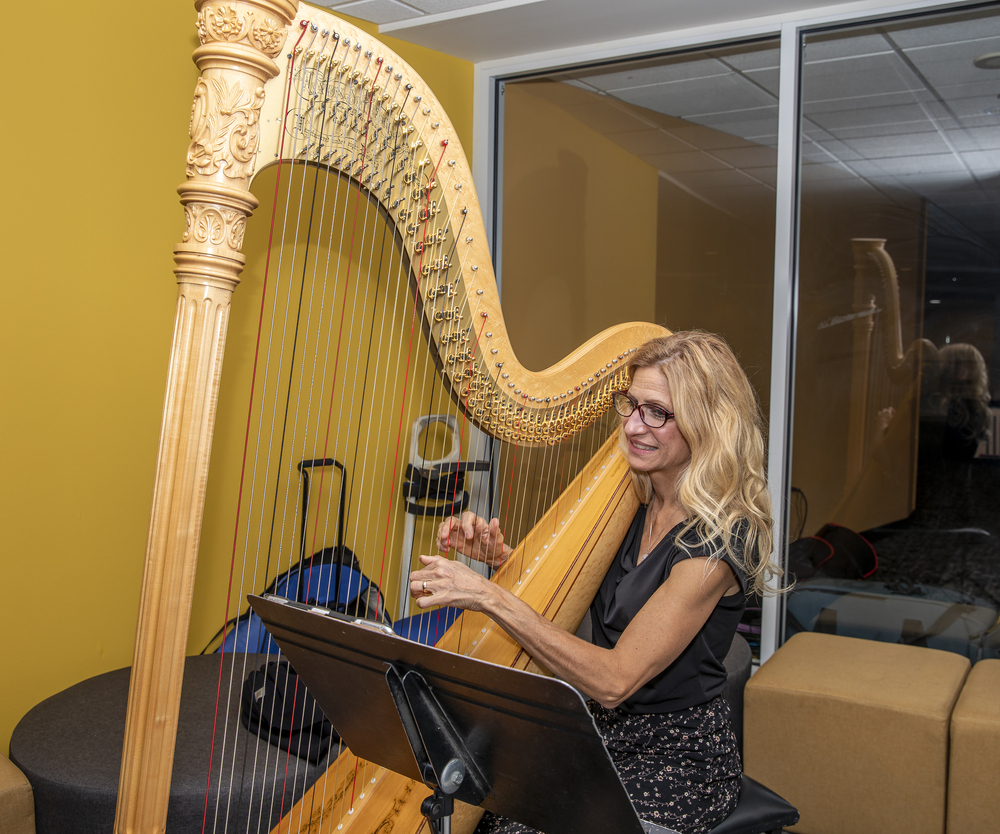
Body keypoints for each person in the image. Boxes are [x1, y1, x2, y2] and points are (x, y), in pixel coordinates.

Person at [409, 331, 780, 834]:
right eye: (629, 404)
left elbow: (614, 681)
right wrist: (502, 560)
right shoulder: (635, 498)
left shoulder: (715, 543)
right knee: (482, 801)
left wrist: (488, 596)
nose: (631, 426)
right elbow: (585, 598)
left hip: (673, 760)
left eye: (657, 412)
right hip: (597, 734)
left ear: (707, 422)